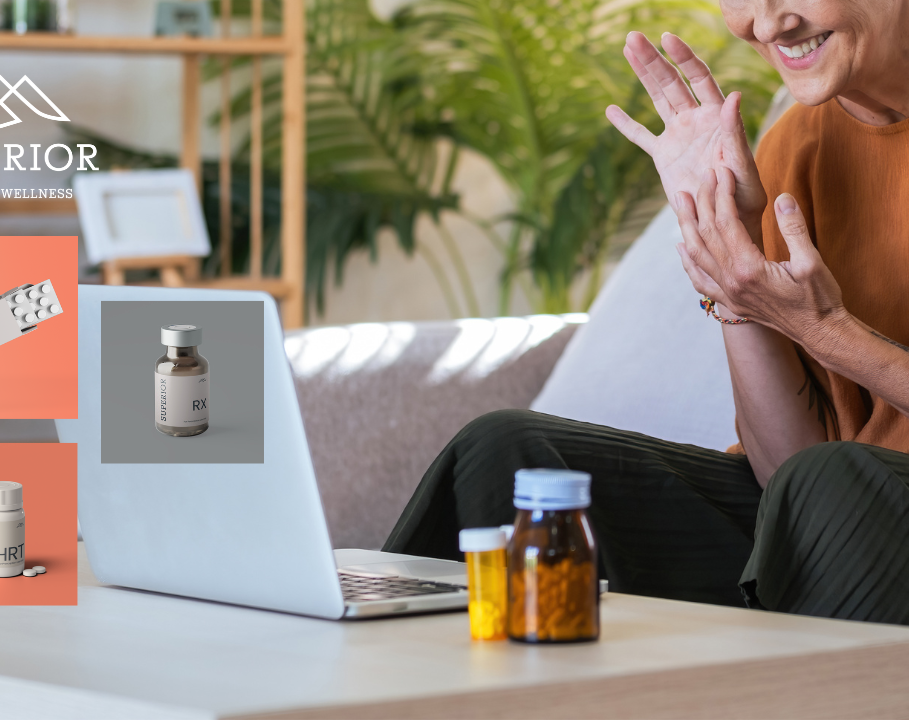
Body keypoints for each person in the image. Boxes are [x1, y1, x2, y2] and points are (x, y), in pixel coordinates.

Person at [383, 1, 909, 623]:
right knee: (506, 451)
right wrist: (731, 263)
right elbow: (786, 472)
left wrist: (824, 331)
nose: (767, 23)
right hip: (841, 525)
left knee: (831, 481)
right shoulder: (798, 143)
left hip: (860, 512)